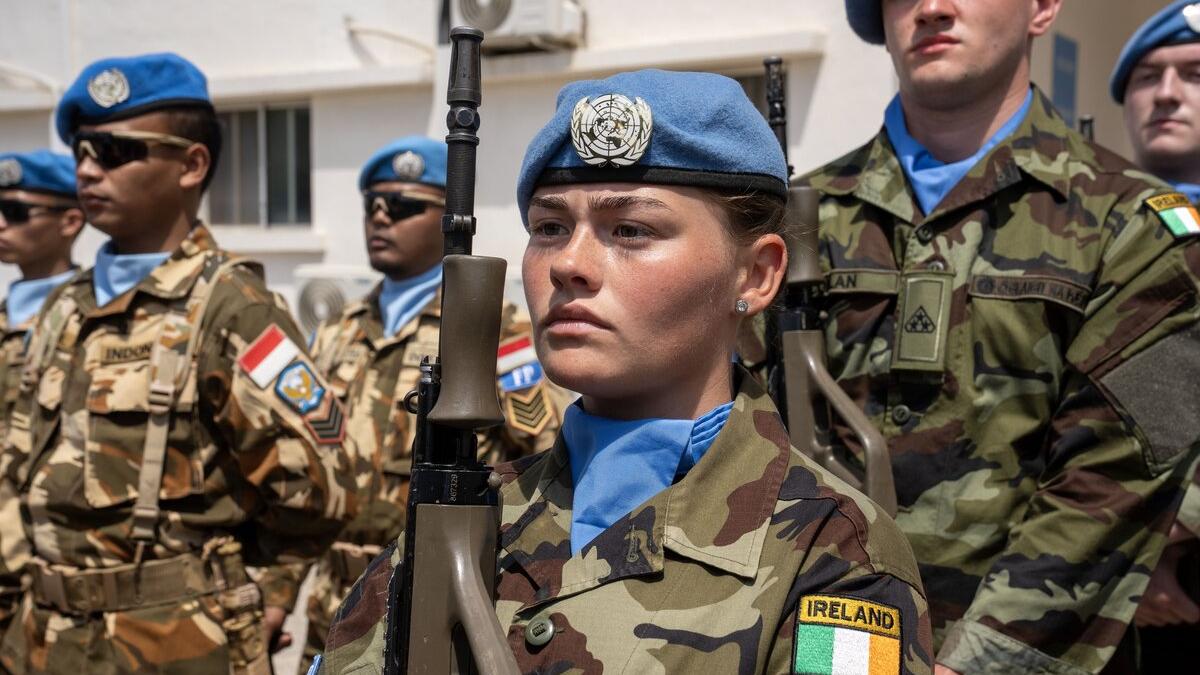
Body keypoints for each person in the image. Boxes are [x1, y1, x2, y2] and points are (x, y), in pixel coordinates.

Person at [316, 69, 933, 675]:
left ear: (757, 275)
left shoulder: (837, 557)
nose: (569, 264)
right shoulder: (467, 519)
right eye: (550, 227)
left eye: (631, 230)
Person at [796, 1, 1200, 672]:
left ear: (1042, 9)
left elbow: (1118, 472)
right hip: (831, 637)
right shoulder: (796, 219)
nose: (931, 8)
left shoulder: (1141, 228)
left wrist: (978, 661)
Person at [0, 52, 356, 674]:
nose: (88, 169)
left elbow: (319, 493)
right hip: (43, 641)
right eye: (82, 150)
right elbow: (18, 466)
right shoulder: (64, 305)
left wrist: (224, 579)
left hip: (178, 645)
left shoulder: (232, 308)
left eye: (113, 152)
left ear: (191, 164)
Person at [266, 135, 567, 673]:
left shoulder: (488, 329)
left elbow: (540, 447)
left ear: (446, 220)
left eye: (403, 207)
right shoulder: (336, 331)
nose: (380, 218)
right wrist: (279, 592)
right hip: (335, 599)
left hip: (431, 586)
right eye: (372, 206)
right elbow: (305, 477)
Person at [1110, 1, 1200, 668]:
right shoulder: (1087, 225)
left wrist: (1165, 532)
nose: (1166, 94)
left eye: (1194, 74)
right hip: (1085, 572)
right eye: (1147, 77)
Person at [0, 149, 84, 637]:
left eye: (16, 212)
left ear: (70, 221)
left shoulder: (87, 324)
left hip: (49, 579)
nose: (1, 223)